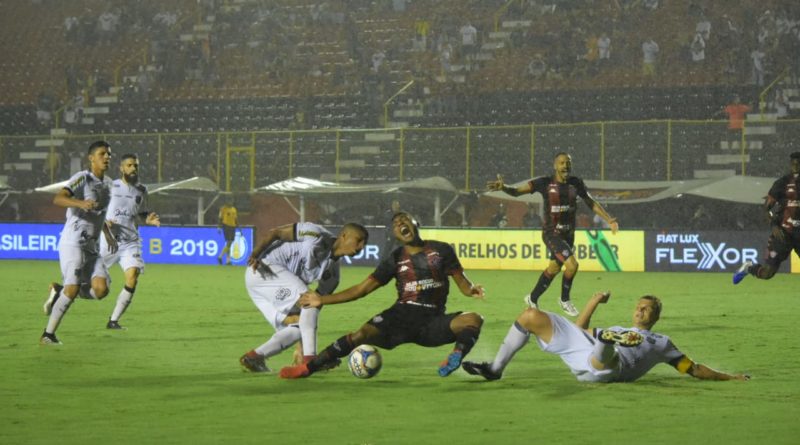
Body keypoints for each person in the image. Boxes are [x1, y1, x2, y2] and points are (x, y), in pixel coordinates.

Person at [278, 211, 486, 379]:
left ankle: (456, 355)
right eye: (396, 224)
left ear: (415, 223)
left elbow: (462, 282)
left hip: (432, 322)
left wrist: (471, 289)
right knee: (361, 335)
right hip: (400, 318)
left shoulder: (442, 250)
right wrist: (320, 299)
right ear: (395, 235)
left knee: (474, 319)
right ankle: (308, 368)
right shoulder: (395, 259)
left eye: (405, 219)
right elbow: (362, 289)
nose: (401, 223)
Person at [462, 291, 750, 383]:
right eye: (638, 307)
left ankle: (608, 342)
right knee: (530, 316)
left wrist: (730, 377)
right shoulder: (621, 327)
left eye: (646, 309)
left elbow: (693, 368)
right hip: (585, 354)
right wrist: (594, 300)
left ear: (655, 317)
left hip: (610, 370)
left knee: (606, 346)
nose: (639, 311)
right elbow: (579, 328)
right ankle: (495, 369)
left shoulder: (662, 342)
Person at [487, 152, 618, 317]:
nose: (566, 166)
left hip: (569, 234)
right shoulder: (544, 183)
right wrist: (504, 187)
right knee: (572, 265)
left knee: (554, 268)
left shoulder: (576, 183)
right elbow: (517, 192)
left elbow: (590, 202)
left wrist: (609, 219)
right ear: (555, 165)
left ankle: (532, 298)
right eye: (562, 163)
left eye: (568, 162)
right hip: (552, 233)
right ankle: (565, 300)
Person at [239, 221, 369, 373]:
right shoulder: (316, 235)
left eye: (364, 244)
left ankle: (255, 356)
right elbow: (275, 232)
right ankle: (312, 360)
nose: (361, 247)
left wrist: (300, 347)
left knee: (299, 324)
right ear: (344, 235)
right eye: (358, 240)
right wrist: (255, 254)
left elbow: (310, 314)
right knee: (309, 302)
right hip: (265, 267)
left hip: (263, 285)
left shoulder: (333, 277)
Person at [41, 141, 117, 345]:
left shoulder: (110, 184)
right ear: (91, 158)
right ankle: (48, 335)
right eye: (102, 154)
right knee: (73, 289)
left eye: (109, 154)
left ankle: (60, 291)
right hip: (72, 242)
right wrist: (80, 203)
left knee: (101, 290)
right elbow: (59, 198)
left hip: (91, 247)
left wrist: (108, 234)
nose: (107, 157)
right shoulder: (82, 178)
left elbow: (100, 213)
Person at [100, 154, 160, 330]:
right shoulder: (110, 187)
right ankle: (61, 292)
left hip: (130, 242)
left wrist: (147, 219)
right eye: (129, 165)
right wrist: (105, 221)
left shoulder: (142, 190)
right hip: (108, 241)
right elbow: (98, 209)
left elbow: (139, 214)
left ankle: (113, 320)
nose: (133, 168)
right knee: (92, 285)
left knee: (133, 275)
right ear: (121, 168)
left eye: (136, 165)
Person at [734, 151, 800, 284]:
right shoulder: (782, 183)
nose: (796, 167)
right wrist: (774, 226)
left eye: (798, 164)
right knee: (767, 274)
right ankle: (749, 268)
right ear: (790, 165)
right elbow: (766, 209)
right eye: (794, 164)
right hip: (783, 234)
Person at [217, 199, 238, 265]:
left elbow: (235, 219)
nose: (231, 202)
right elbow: (220, 218)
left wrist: (239, 226)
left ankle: (228, 261)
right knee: (229, 242)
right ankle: (220, 256)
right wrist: (219, 227)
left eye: (231, 201)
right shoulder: (223, 209)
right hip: (226, 226)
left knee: (229, 243)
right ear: (227, 202)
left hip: (233, 227)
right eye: (229, 201)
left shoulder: (234, 209)